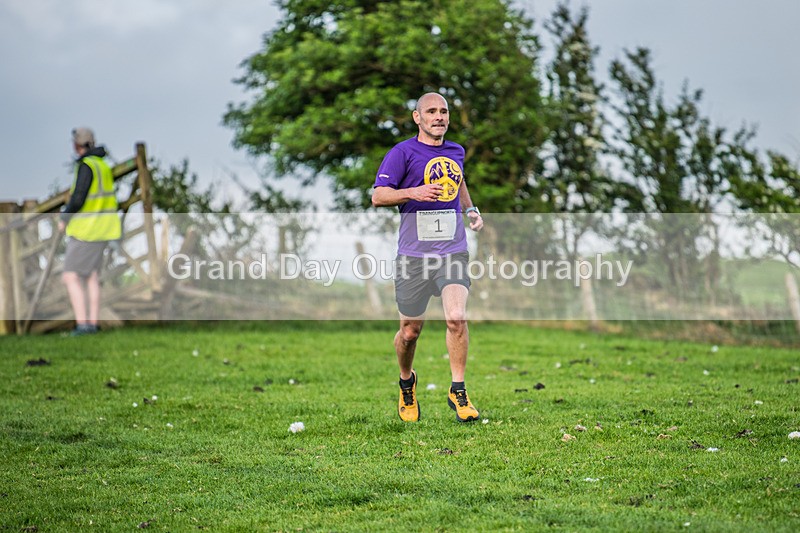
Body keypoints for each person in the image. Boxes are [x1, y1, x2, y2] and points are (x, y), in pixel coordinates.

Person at [372, 92, 484, 422]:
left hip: (452, 250)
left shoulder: (456, 151)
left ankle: (458, 390)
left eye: (444, 111)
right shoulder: (402, 153)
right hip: (413, 257)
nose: (439, 116)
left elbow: (458, 180)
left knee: (456, 317)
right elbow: (378, 196)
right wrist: (413, 192)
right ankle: (407, 382)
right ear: (417, 117)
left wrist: (471, 209)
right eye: (431, 111)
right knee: (409, 332)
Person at [58, 127, 121, 336]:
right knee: (92, 277)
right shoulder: (103, 165)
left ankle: (83, 324)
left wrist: (64, 218)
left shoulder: (86, 166)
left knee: (70, 276)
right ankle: (92, 324)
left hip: (88, 230)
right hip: (105, 229)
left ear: (78, 145)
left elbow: (78, 198)